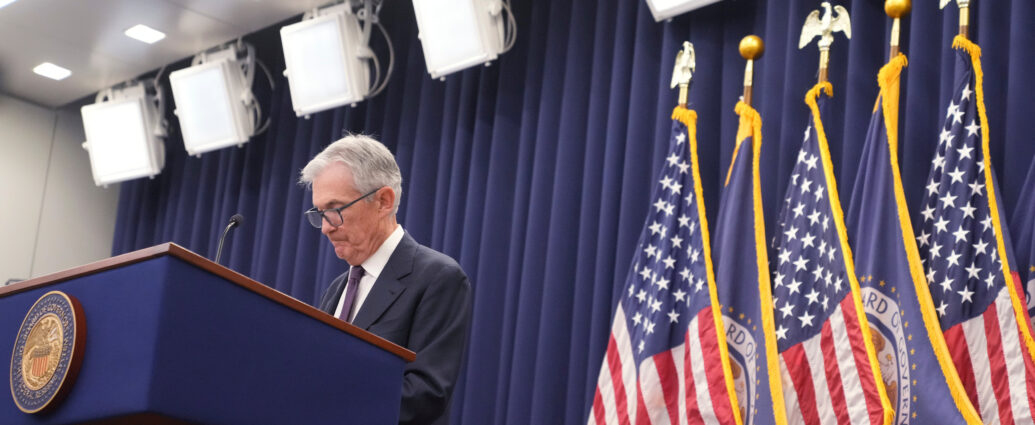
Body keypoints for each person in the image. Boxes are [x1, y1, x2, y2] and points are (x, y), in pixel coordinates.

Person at [299, 135, 472, 425]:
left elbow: (425, 394)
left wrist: (330, 408)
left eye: (335, 209)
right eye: (320, 213)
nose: (325, 228)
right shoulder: (336, 289)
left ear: (383, 201)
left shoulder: (438, 277)